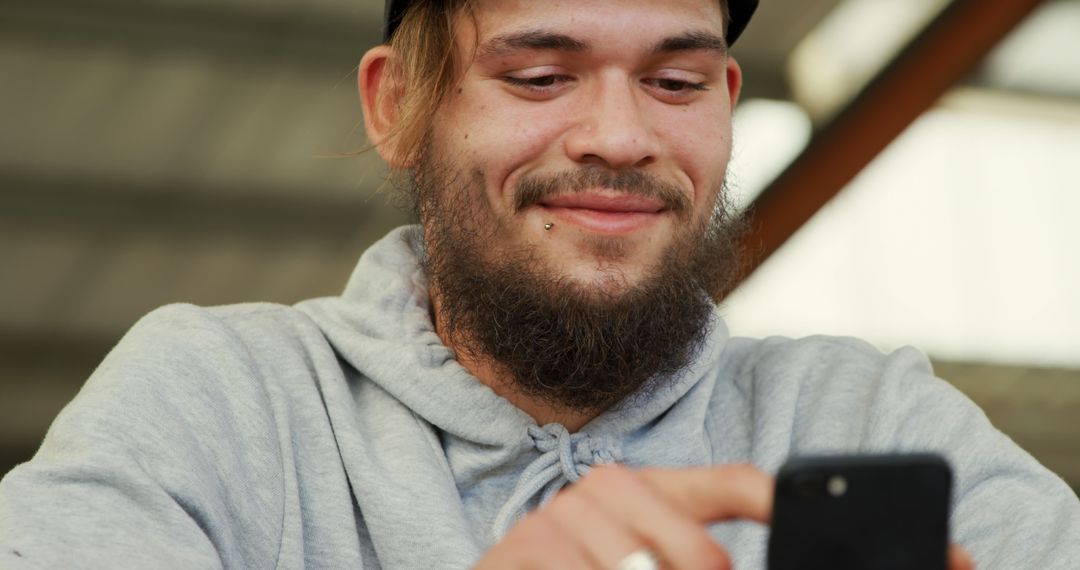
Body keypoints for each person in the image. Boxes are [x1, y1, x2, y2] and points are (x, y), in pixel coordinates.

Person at [1, 0, 1077, 568]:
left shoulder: (869, 420)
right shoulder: (219, 402)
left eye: (674, 81)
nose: (620, 134)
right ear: (397, 105)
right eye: (540, 75)